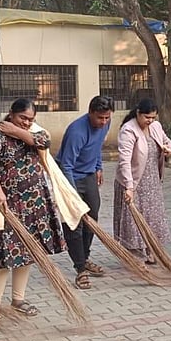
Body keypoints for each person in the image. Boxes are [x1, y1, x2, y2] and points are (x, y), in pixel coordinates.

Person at [0, 98, 67, 307]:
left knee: (27, 251)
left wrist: (17, 130)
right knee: (2, 253)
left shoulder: (35, 132)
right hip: (7, 204)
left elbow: (44, 142)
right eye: (22, 118)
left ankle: (18, 300)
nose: (26, 122)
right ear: (11, 113)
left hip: (34, 205)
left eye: (30, 119)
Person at [56, 96, 114, 284]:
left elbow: (98, 147)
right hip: (69, 176)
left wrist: (98, 167)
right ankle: (80, 268)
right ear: (90, 113)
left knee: (92, 218)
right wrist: (72, 195)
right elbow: (66, 165)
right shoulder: (77, 132)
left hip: (88, 175)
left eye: (106, 117)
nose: (103, 122)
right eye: (99, 118)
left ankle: (85, 257)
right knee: (75, 221)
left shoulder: (106, 123)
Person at [113, 98, 171, 264]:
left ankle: (151, 250)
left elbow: (168, 142)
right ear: (138, 113)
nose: (150, 121)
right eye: (147, 117)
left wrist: (169, 149)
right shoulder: (128, 130)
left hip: (152, 180)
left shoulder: (156, 126)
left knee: (152, 217)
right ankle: (134, 256)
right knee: (132, 219)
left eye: (153, 117)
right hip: (133, 180)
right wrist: (129, 187)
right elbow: (124, 161)